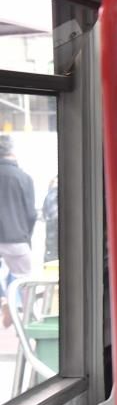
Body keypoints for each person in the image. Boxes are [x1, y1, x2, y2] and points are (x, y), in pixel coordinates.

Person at [0, 135, 37, 328]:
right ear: (12, 153)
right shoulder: (23, 178)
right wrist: (26, 235)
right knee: (25, 278)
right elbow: (31, 214)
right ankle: (21, 312)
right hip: (16, 239)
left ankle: (4, 299)